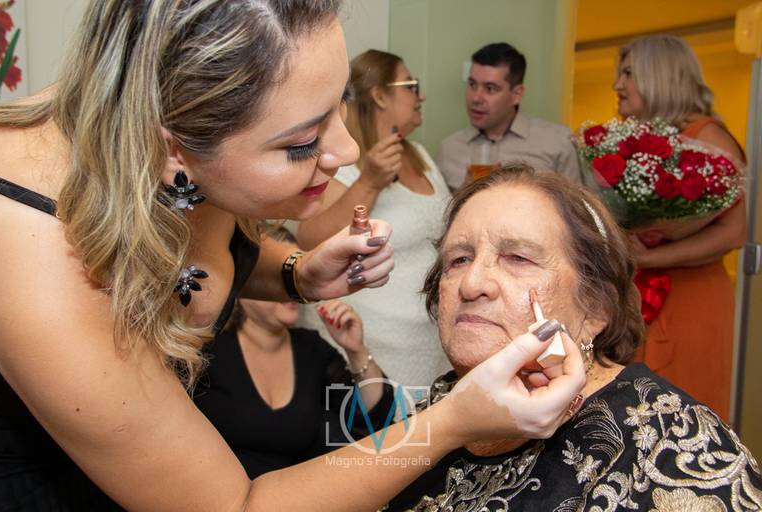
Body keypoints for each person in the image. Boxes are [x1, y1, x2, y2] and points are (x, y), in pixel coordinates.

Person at [0, 2, 588, 510]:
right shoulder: (32, 256)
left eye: (339, 103)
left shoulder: (161, 129)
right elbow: (236, 505)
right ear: (174, 148)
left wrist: (296, 274)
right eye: (304, 142)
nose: (346, 150)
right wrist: (453, 420)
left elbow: (197, 253)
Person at [384, 165, 761, 511]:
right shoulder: (445, 398)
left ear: (595, 308)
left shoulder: (672, 446)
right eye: (458, 259)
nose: (472, 283)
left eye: (518, 258)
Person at [296, 49, 452, 387]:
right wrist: (370, 182)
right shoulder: (340, 162)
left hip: (428, 342)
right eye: (410, 86)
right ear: (380, 96)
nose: (421, 95)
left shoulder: (419, 155)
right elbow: (309, 239)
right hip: (371, 346)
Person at [613, 35, 746, 421]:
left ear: (659, 76)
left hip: (690, 300)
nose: (617, 85)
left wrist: (650, 257)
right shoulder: (645, 139)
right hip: (641, 293)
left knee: (686, 417)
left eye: (628, 73)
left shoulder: (707, 137)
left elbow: (734, 233)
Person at [194, 290, 396, 478]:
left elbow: (371, 421)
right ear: (242, 290)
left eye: (295, 282)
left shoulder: (311, 348)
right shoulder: (204, 355)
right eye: (276, 281)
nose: (292, 292)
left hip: (302, 495)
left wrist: (356, 351)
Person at [436, 42, 582, 191]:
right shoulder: (449, 149)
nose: (476, 98)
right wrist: (464, 193)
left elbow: (576, 204)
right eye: (472, 85)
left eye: (490, 88)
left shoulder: (556, 142)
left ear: (516, 94)